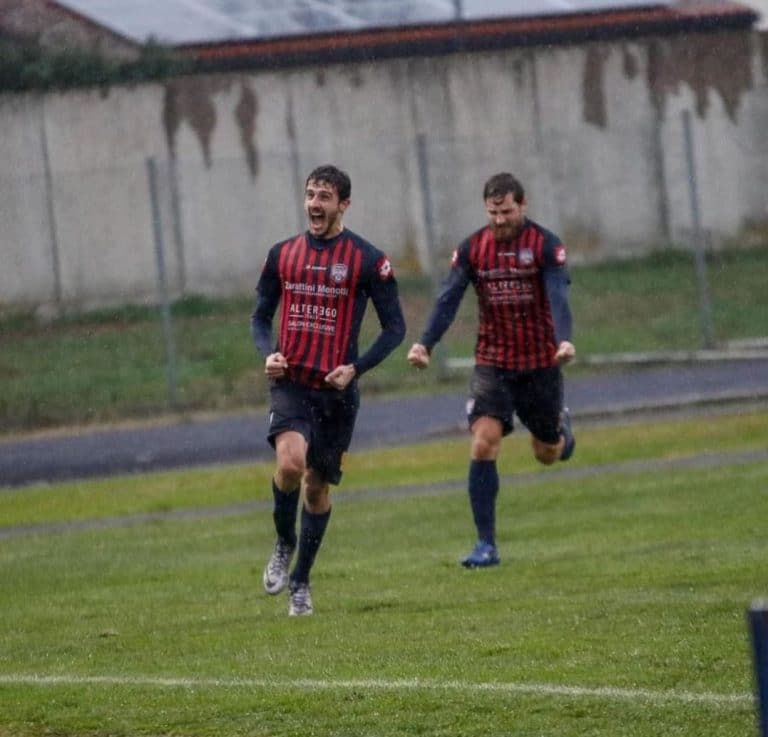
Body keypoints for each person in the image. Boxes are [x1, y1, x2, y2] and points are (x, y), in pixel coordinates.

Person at [251, 164, 406, 615]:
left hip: (336, 393)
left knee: (317, 489)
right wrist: (268, 353)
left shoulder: (368, 260)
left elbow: (395, 328)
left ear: (344, 204)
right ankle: (284, 542)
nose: (314, 205)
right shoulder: (282, 255)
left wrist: (355, 368)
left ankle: (301, 580)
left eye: (324, 197)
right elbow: (260, 316)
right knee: (290, 462)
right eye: (310, 195)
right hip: (292, 383)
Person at [407, 172, 575, 569]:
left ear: (523, 205)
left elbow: (558, 296)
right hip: (493, 362)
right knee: (484, 441)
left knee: (546, 453)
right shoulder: (472, 249)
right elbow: (449, 298)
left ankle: (562, 434)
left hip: (540, 364)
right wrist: (425, 344)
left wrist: (563, 339)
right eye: (493, 212)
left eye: (507, 211)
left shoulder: (546, 245)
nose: (500, 220)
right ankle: (486, 545)